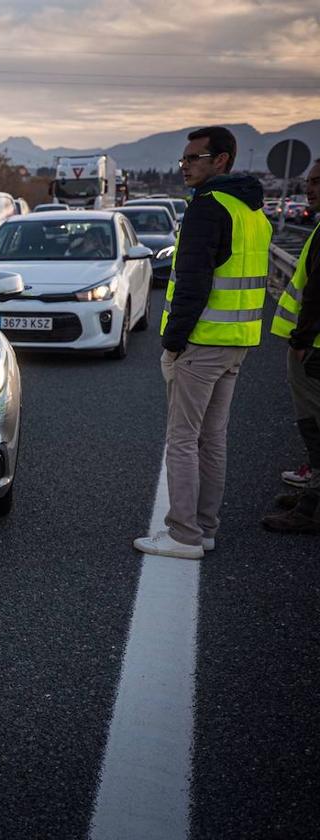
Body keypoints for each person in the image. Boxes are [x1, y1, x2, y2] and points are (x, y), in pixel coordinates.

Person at [133, 126, 271, 559]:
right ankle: (205, 528)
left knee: (183, 439)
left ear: (221, 160)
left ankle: (183, 535)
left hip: (202, 343)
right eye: (183, 159)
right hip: (237, 342)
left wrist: (173, 343)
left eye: (194, 158)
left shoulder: (208, 208)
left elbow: (192, 282)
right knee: (213, 439)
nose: (185, 166)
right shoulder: (254, 212)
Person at [263, 158, 320, 533]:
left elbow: (316, 293)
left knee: (315, 427)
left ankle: (311, 511)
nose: (308, 188)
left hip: (314, 349)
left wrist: (300, 341)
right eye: (307, 181)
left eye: (316, 181)